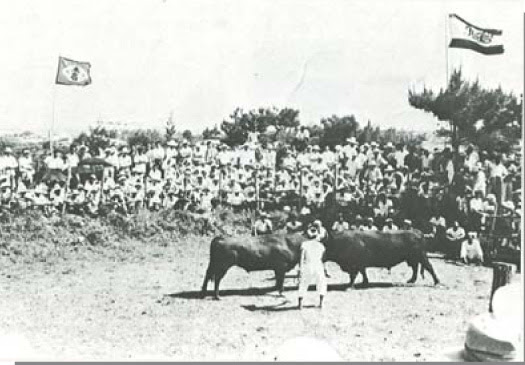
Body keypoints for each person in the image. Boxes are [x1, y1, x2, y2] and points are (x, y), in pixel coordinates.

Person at [298, 234, 327, 309]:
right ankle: (321, 303)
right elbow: (323, 259)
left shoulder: (305, 244)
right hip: (318, 265)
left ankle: (300, 304)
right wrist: (324, 268)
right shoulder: (321, 245)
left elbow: (301, 258)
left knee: (303, 283)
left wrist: (300, 268)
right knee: (321, 283)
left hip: (308, 265)